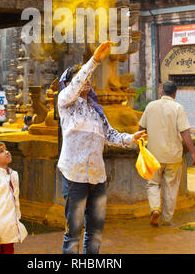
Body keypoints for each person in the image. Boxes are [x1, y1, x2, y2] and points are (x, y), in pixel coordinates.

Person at [57, 41, 146, 254]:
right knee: (73, 234)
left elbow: (110, 135)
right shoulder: (65, 104)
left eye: (88, 77)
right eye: (80, 78)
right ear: (69, 84)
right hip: (75, 176)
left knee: (95, 232)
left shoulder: (96, 111)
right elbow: (75, 85)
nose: (86, 80)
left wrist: (130, 138)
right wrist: (94, 61)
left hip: (97, 178)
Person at [139, 80, 195, 227]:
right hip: (173, 156)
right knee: (171, 187)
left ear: (161, 92)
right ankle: (167, 220)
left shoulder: (150, 106)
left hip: (153, 155)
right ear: (175, 93)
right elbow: (185, 132)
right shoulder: (178, 107)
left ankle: (154, 209)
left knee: (153, 184)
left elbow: (141, 128)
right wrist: (193, 153)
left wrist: (140, 148)